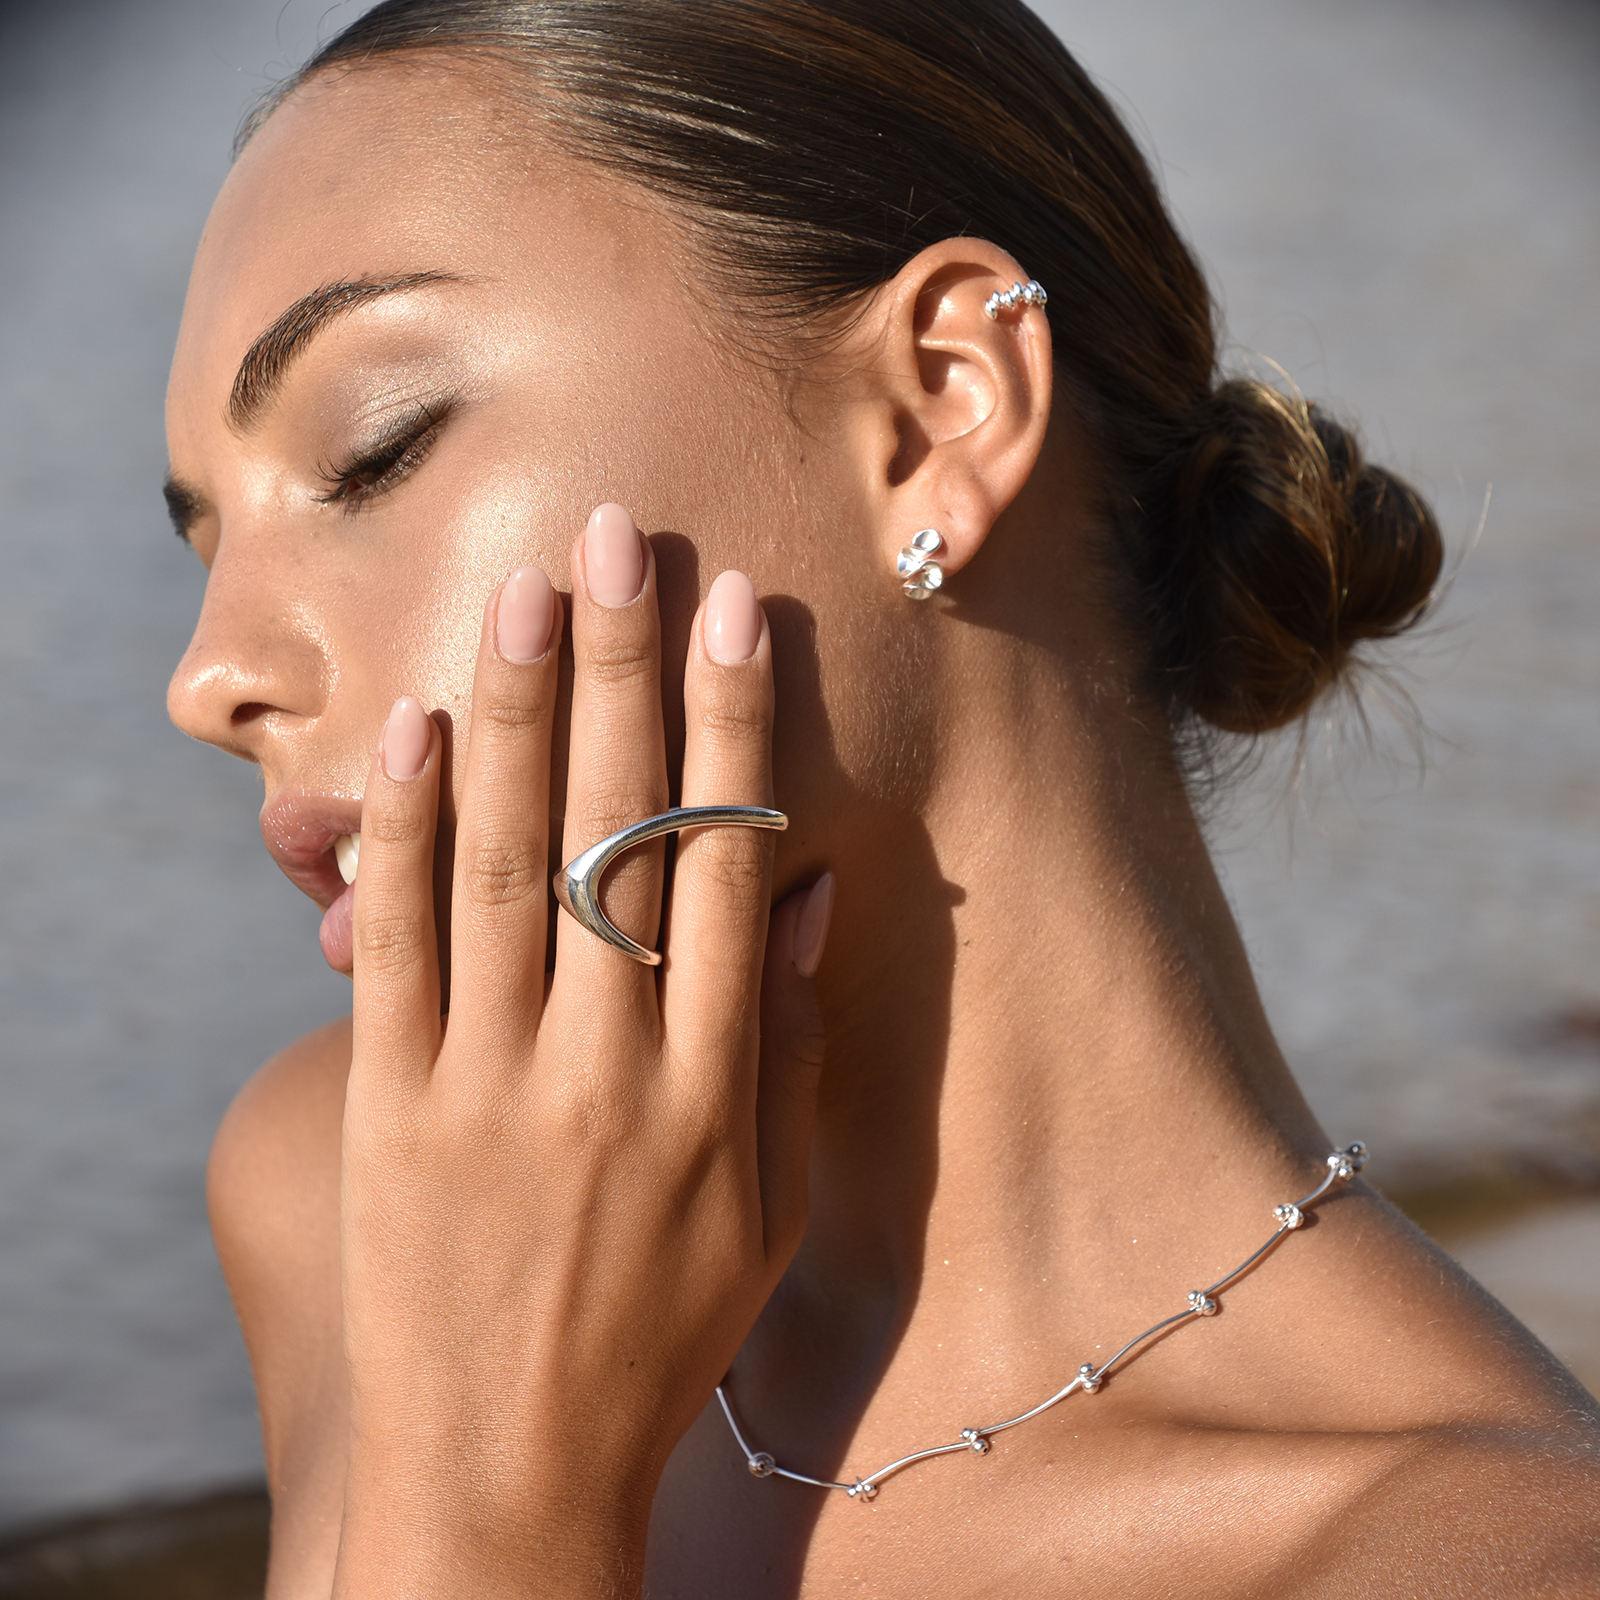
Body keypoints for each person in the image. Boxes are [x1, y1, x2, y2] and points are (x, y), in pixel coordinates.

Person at [161, 0, 1600, 1593]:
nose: (206, 677)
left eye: (372, 450)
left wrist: (494, 1494)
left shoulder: (1485, 1558)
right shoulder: (347, 1197)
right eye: (208, 538)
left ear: (936, 410)